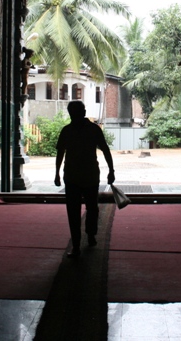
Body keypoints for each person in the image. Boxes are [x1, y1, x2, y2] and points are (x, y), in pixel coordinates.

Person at [54, 100, 115, 258]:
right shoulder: (93, 129)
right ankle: (89, 235)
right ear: (84, 111)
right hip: (89, 175)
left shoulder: (67, 130)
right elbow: (106, 150)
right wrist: (111, 170)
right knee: (92, 208)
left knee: (73, 211)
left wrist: (57, 173)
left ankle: (76, 245)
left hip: (74, 175)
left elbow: (60, 153)